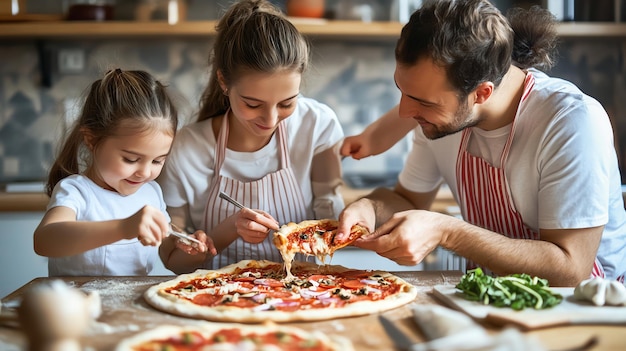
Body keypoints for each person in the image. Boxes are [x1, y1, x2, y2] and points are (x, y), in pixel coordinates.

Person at [336, 0, 626, 287]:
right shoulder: (439, 121)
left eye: (423, 102)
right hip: (492, 300)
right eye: (403, 91)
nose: (404, 113)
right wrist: (371, 207)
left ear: (482, 93)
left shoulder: (570, 122)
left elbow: (570, 270)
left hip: (589, 311)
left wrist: (447, 232)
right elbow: (410, 201)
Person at [158, 0, 345, 274]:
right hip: (218, 301)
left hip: (304, 296)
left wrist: (347, 226)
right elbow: (172, 259)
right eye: (253, 104)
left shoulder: (316, 125)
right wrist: (227, 230)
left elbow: (329, 209)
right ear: (224, 82)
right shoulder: (187, 149)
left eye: (286, 103)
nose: (270, 120)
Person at [33, 69, 210, 277]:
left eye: (157, 160)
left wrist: (192, 251)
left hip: (130, 308)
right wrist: (123, 228)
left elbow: (172, 259)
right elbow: (44, 241)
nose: (144, 173)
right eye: (131, 159)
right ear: (91, 140)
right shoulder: (76, 191)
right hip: (77, 307)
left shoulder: (151, 193)